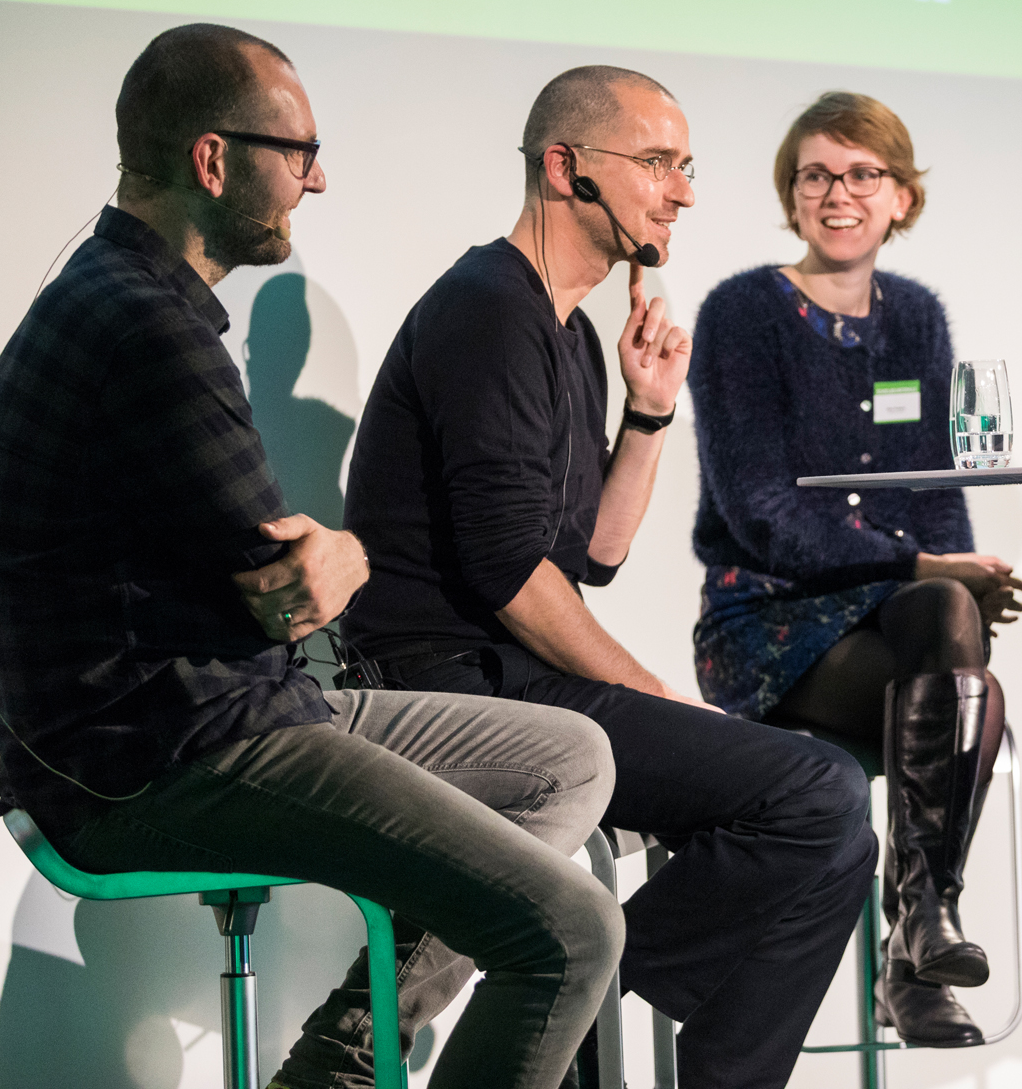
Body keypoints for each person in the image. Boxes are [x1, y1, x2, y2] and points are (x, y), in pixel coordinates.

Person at [0, 24, 624, 1089]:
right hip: (163, 754)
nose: (320, 179)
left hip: (221, 704)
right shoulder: (145, 328)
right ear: (213, 159)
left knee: (571, 756)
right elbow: (298, 597)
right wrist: (349, 553)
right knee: (572, 932)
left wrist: (335, 557)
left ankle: (345, 1058)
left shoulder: (130, 297)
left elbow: (279, 585)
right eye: (300, 152)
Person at [340, 66, 878, 1089]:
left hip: (521, 675)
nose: (681, 190)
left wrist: (649, 409)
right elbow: (508, 574)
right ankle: (569, 969)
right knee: (818, 793)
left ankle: (606, 995)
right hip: (459, 686)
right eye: (658, 162)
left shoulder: (568, 331)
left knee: (838, 830)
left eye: (686, 167)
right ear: (564, 167)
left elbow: (591, 553)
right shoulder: (486, 310)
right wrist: (649, 692)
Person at [688, 92, 1022, 1046]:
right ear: (791, 195)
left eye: (862, 174)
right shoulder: (743, 312)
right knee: (971, 688)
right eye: (816, 175)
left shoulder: (915, 317)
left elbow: (935, 495)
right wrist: (929, 565)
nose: (838, 193)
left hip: (895, 631)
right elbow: (761, 514)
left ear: (902, 196)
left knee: (954, 641)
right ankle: (917, 945)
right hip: (767, 625)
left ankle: (922, 927)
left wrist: (956, 576)